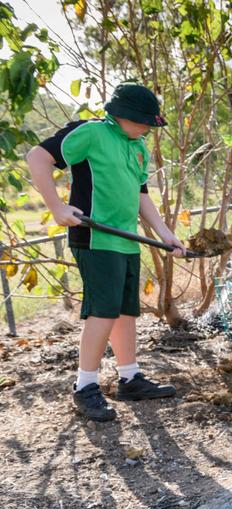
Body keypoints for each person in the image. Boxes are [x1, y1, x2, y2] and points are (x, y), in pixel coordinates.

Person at [26, 82, 185, 422]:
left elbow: (141, 195)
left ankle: (129, 378)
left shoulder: (138, 146)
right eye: (143, 121)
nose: (148, 128)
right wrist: (56, 207)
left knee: (125, 311)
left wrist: (167, 235)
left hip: (126, 240)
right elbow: (37, 157)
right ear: (120, 114)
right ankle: (84, 387)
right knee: (104, 311)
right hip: (95, 238)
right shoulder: (92, 133)